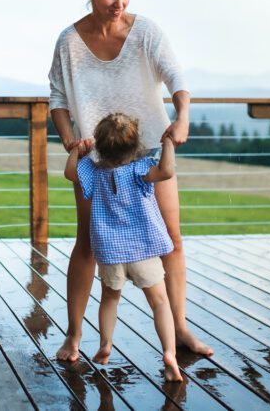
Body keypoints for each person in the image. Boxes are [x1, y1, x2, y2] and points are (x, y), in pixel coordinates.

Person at [48, 0, 213, 362]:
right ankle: (74, 336)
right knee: (86, 244)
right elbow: (57, 99)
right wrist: (71, 141)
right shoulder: (69, 42)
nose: (118, 4)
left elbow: (177, 76)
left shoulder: (146, 32)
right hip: (96, 164)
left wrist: (183, 115)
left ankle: (179, 331)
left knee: (171, 240)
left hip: (150, 157)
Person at [64, 113, 182, 381]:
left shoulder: (93, 172)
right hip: (143, 251)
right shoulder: (140, 169)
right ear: (135, 145)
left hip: (110, 253)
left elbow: (70, 173)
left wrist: (76, 152)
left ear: (100, 147)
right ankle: (169, 353)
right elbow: (167, 171)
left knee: (109, 299)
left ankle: (106, 344)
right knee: (160, 302)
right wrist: (168, 146)